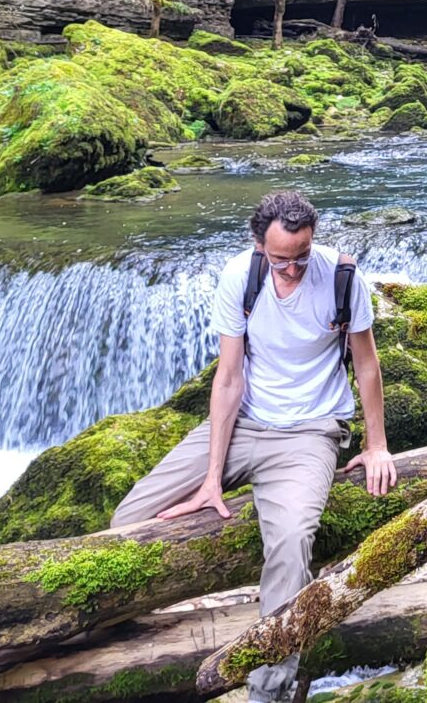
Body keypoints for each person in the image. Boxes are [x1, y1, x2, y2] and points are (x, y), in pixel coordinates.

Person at [110, 190, 397, 702]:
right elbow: (227, 379)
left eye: (301, 257)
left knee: (290, 541)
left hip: (310, 431)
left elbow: (368, 365)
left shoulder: (342, 277)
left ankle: (270, 688)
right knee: (128, 518)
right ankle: (128, 643)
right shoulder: (240, 277)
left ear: (314, 240)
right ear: (260, 246)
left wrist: (377, 445)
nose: (291, 270)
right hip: (245, 423)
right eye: (280, 259)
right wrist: (211, 477)